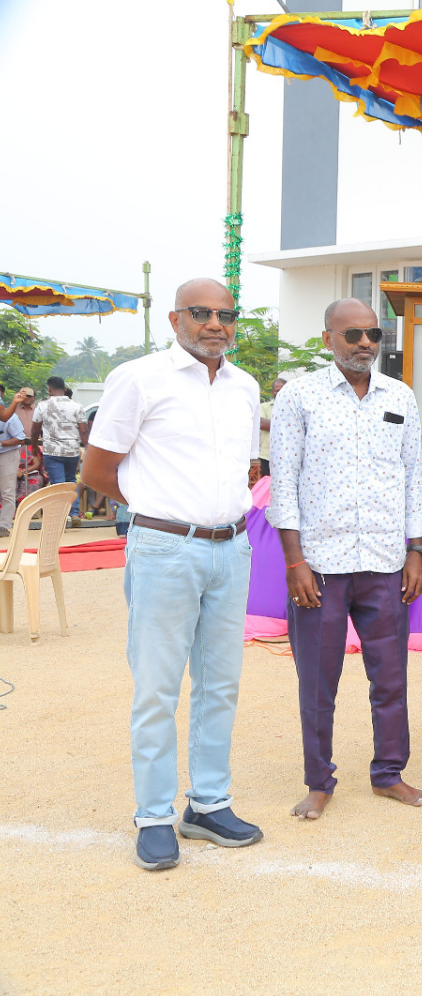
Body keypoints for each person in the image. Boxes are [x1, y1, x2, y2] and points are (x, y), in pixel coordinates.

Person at [80, 278, 265, 870]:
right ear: (175, 318)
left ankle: (208, 804)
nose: (215, 324)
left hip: (231, 549)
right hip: (164, 549)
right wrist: (156, 508)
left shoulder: (245, 387)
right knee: (158, 687)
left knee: (220, 685)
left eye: (226, 315)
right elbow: (97, 470)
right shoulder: (138, 378)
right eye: (201, 313)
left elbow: (243, 468)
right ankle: (155, 815)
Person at [269, 299, 422, 821]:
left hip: (385, 563)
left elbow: (413, 477)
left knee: (391, 679)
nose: (365, 343)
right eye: (353, 334)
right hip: (320, 566)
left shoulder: (399, 396)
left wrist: (415, 550)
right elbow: (283, 481)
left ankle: (389, 774)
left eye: (373, 334)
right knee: (318, 683)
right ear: (328, 339)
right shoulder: (300, 396)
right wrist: (294, 561)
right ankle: (319, 782)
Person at [33, 375, 87, 526]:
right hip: (72, 451)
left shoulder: (42, 406)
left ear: (50, 389)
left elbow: (35, 429)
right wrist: (87, 447)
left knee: (58, 484)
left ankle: (61, 516)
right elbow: (83, 430)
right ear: (65, 389)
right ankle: (74, 513)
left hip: (52, 451)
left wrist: (34, 445)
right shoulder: (77, 406)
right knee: (71, 481)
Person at [0, 385, 28, 538]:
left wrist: (1, 443)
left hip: (7, 454)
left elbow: (20, 438)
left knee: (7, 490)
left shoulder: (11, 416)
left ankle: (3, 526)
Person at [259, 374, 290, 478]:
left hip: (288, 456)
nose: (280, 393)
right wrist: (287, 424)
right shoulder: (264, 407)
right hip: (267, 455)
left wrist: (271, 423)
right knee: (267, 484)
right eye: (277, 390)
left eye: (283, 390)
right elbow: (261, 424)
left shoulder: (294, 408)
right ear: (272, 392)